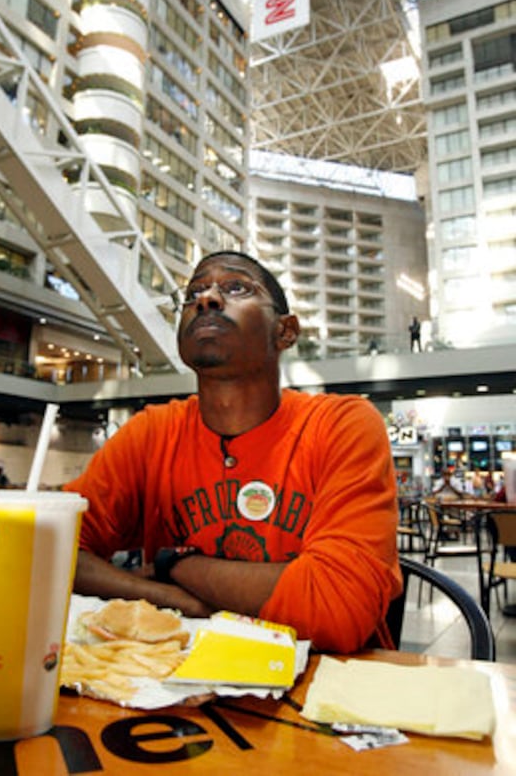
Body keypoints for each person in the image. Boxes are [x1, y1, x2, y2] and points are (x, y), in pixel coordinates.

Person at [65, 251, 402, 653]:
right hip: (175, 686)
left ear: (285, 331)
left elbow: (335, 610)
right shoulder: (151, 432)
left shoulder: (342, 425)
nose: (206, 299)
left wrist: (177, 564)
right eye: (193, 293)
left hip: (324, 689)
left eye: (236, 287)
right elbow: (51, 546)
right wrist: (174, 599)